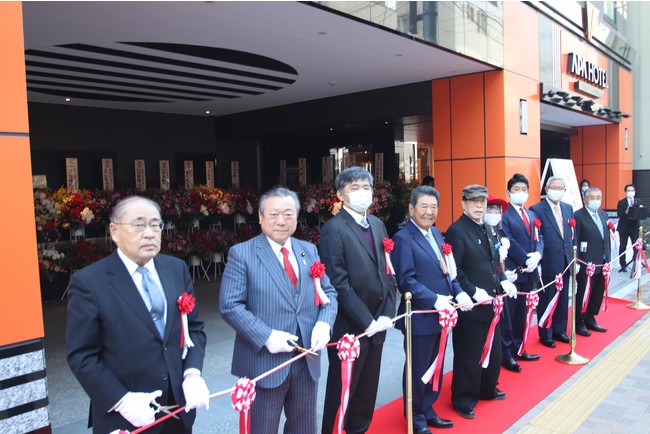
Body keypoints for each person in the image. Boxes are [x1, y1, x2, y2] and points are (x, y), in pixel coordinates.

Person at [66, 196, 209, 434]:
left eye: (156, 225)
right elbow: (82, 356)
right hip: (126, 414)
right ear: (114, 231)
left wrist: (192, 374)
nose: (150, 233)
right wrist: (122, 401)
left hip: (177, 407)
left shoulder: (175, 268)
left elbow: (194, 328)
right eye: (139, 225)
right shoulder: (89, 282)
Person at [219, 187, 338, 434]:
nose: (281, 221)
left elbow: (329, 294)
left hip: (306, 358)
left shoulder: (308, 250)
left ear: (297, 217)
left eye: (288, 214)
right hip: (265, 361)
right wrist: (266, 336)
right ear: (261, 217)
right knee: (263, 428)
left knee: (304, 427)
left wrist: (324, 323)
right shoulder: (242, 254)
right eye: (273, 214)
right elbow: (230, 305)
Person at [320, 166, 397, 434]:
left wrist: (387, 313)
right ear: (341, 195)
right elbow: (338, 284)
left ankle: (359, 430)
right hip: (350, 328)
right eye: (355, 188)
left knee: (366, 393)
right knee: (342, 393)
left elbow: (388, 271)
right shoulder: (334, 229)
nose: (362, 193)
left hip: (378, 324)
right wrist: (367, 320)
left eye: (366, 188)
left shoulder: (377, 224)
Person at [391, 186, 468, 431]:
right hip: (421, 317)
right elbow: (406, 280)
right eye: (423, 206)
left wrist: (459, 292)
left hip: (441, 316)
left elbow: (447, 271)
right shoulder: (402, 239)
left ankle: (428, 409)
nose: (429, 212)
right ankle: (415, 419)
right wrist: (435, 299)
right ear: (411, 208)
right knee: (417, 369)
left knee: (435, 367)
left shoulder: (436, 234)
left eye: (434, 207)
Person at [445, 184, 513, 420]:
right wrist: (472, 291)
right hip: (471, 304)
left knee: (493, 351)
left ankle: (487, 388)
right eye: (474, 202)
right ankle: (463, 398)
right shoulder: (457, 230)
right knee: (470, 353)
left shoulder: (487, 228)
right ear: (464, 204)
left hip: (492, 302)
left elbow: (493, 263)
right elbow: (456, 268)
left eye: (482, 202)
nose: (479, 206)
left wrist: (504, 280)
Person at [500, 173, 543, 370]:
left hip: (531, 272)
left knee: (523, 314)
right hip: (514, 272)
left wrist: (538, 255)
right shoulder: (504, 216)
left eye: (524, 190)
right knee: (510, 314)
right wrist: (527, 259)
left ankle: (519, 347)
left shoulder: (532, 214)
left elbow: (539, 237)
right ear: (509, 193)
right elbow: (509, 241)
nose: (521, 193)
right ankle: (506, 353)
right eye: (516, 190)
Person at [530, 176, 575, 348]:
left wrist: (574, 258)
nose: (557, 190)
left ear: (564, 190)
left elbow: (572, 235)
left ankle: (559, 330)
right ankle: (546, 333)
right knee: (547, 297)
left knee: (563, 298)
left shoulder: (568, 208)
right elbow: (536, 238)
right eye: (553, 187)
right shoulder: (537, 209)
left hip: (566, 260)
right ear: (547, 189)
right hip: (548, 261)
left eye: (560, 187)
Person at [484, 194, 521, 373]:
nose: (494, 213)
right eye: (490, 208)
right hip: (487, 289)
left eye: (498, 210)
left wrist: (506, 276)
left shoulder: (497, 233)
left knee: (505, 321)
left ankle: (505, 353)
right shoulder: (482, 233)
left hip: (501, 283)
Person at [574, 187, 611, 336]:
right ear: (585, 199)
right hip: (586, 262)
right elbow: (575, 239)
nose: (595, 200)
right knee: (584, 292)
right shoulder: (578, 216)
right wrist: (577, 261)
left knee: (597, 292)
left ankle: (591, 317)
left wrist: (608, 259)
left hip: (602, 261)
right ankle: (579, 321)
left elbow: (606, 238)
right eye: (592, 197)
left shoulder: (603, 214)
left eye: (598, 197)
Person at [616, 183, 643, 272]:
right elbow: (619, 214)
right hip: (624, 227)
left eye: (632, 190)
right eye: (629, 191)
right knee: (623, 246)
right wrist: (627, 211)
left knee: (635, 245)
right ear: (626, 192)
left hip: (634, 227)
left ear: (634, 192)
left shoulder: (638, 201)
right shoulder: (621, 202)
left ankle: (635, 261)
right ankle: (623, 264)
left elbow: (641, 213)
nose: (630, 192)